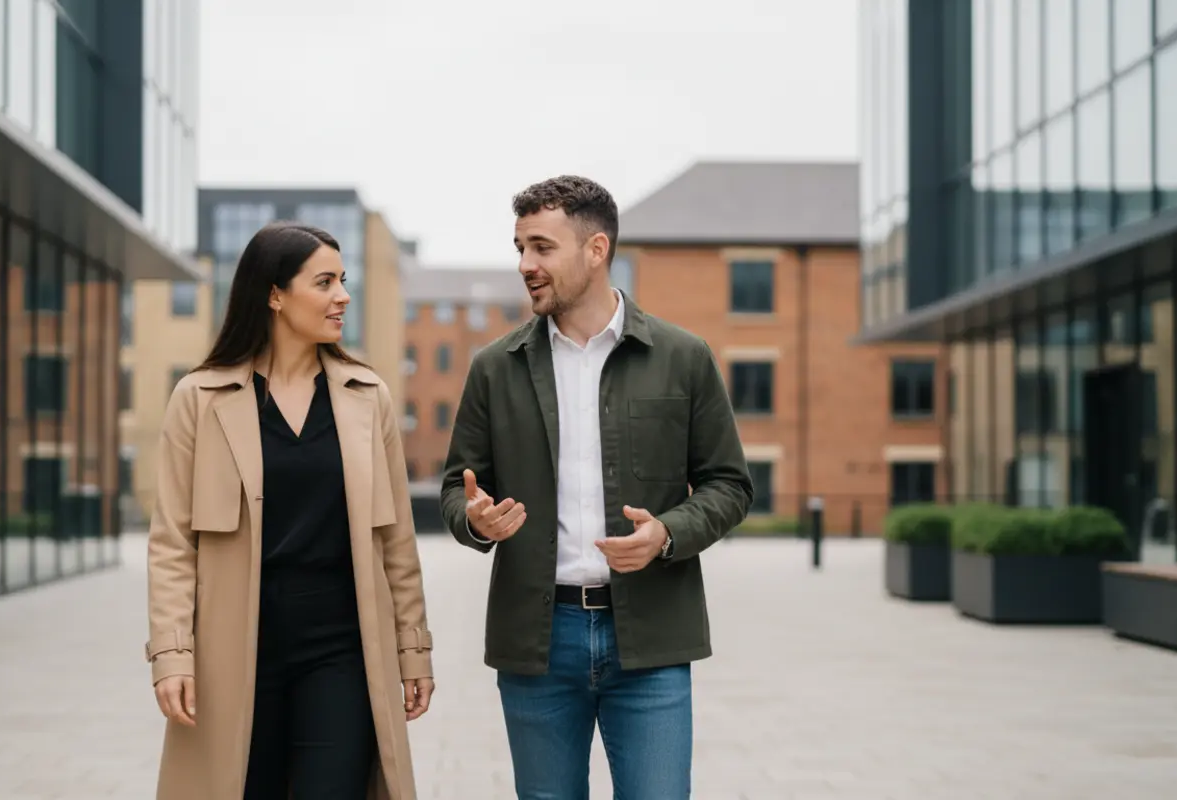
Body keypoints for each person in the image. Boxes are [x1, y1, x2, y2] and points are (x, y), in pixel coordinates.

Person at [440, 175, 753, 799]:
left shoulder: (683, 357)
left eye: (541, 247)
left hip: (654, 641)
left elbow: (729, 483)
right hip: (538, 640)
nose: (526, 265)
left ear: (596, 249)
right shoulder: (494, 368)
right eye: (519, 248)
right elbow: (458, 487)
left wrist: (668, 533)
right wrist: (474, 519)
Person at [146, 222, 435, 800]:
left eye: (344, 281)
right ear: (274, 294)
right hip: (234, 653)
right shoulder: (199, 400)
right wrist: (173, 654)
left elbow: (396, 543)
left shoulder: (367, 398)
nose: (342, 297)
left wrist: (413, 649)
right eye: (324, 282)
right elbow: (173, 544)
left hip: (342, 649)